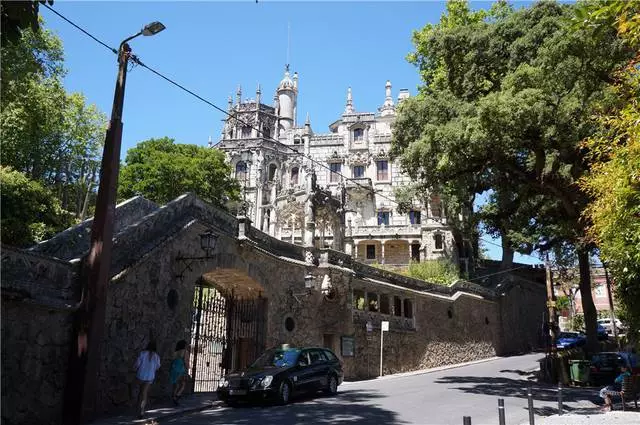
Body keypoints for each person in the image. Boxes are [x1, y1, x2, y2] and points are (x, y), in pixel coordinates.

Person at [134, 341, 161, 418]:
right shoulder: (156, 356)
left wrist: (135, 368)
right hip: (150, 377)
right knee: (144, 393)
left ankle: (138, 408)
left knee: (140, 392)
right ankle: (142, 411)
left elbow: (137, 364)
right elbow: (158, 367)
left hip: (141, 375)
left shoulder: (142, 353)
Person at [169, 340, 188, 405]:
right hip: (180, 370)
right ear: (184, 345)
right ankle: (177, 395)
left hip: (173, 369)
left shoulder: (175, 352)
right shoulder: (185, 352)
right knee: (183, 384)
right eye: (186, 345)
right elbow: (185, 362)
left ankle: (174, 398)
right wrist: (187, 368)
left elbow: (172, 361)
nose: (187, 346)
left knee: (176, 385)